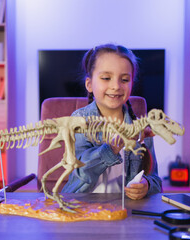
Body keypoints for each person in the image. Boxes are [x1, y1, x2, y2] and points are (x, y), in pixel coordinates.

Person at [62, 43, 162, 199]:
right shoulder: (79, 121)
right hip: (81, 208)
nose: (116, 86)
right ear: (89, 84)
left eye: (124, 79)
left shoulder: (141, 128)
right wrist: (111, 149)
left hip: (123, 211)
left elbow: (156, 181)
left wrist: (146, 185)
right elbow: (81, 171)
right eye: (106, 78)